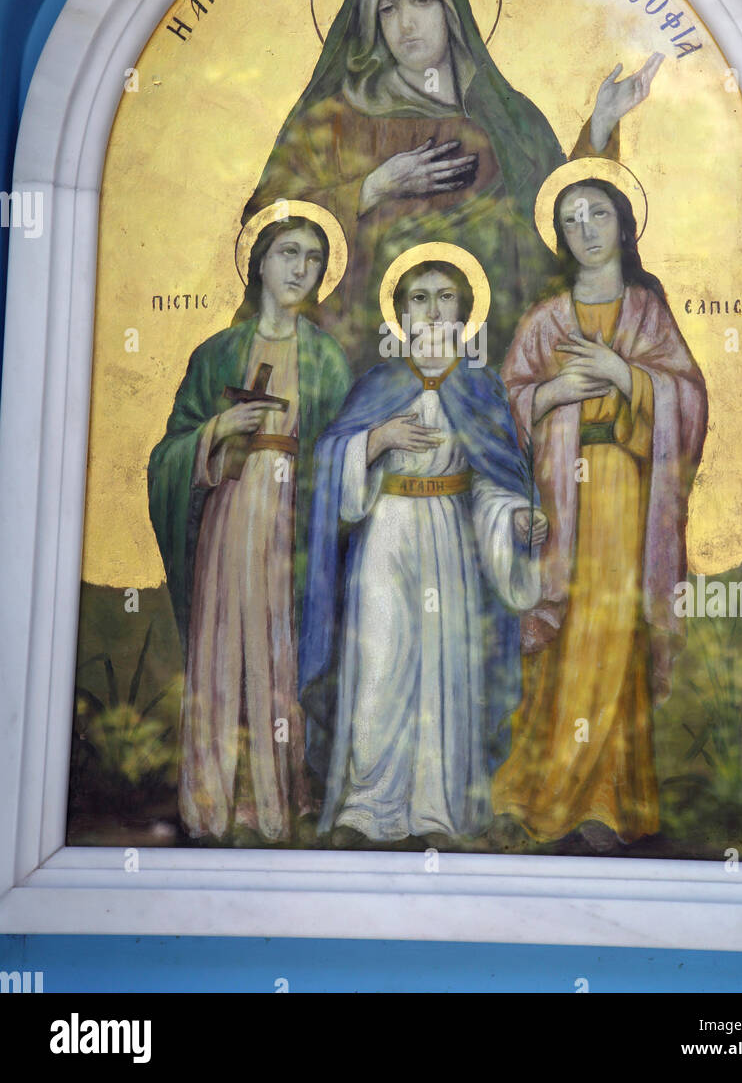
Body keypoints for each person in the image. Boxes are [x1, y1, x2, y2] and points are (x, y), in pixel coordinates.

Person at [240, 0, 662, 367]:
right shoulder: (332, 121)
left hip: (495, 354)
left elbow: (560, 218)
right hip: (364, 356)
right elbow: (266, 222)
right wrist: (370, 188)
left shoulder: (508, 117)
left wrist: (602, 126)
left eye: (420, 0)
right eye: (388, 8)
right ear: (371, 20)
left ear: (450, 9)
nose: (405, 23)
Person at [299, 251, 548, 845]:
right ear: (401, 312)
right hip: (384, 532)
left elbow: (495, 478)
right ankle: (367, 808)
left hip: (452, 537)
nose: (433, 309)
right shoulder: (378, 384)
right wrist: (377, 438)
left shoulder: (481, 387)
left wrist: (514, 518)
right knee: (381, 663)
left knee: (445, 667)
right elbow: (328, 465)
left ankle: (437, 811)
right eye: (419, 297)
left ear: (464, 311)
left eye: (445, 297)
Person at [491, 176, 708, 852]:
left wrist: (624, 375)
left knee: (612, 640)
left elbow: (692, 404)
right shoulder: (546, 319)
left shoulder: (647, 313)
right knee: (558, 640)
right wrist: (551, 391)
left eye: (597, 215)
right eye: (570, 220)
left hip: (623, 499)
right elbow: (503, 415)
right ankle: (545, 791)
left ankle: (606, 800)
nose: (585, 230)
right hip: (558, 500)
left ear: (623, 225)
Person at [147, 211, 352, 844]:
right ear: (259, 262)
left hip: (289, 529)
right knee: (219, 649)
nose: (299, 268)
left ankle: (272, 802)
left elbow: (337, 452)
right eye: (287, 252)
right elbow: (167, 455)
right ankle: (212, 803)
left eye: (312, 258)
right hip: (227, 522)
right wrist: (215, 432)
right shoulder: (216, 354)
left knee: (274, 654)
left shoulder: (326, 358)